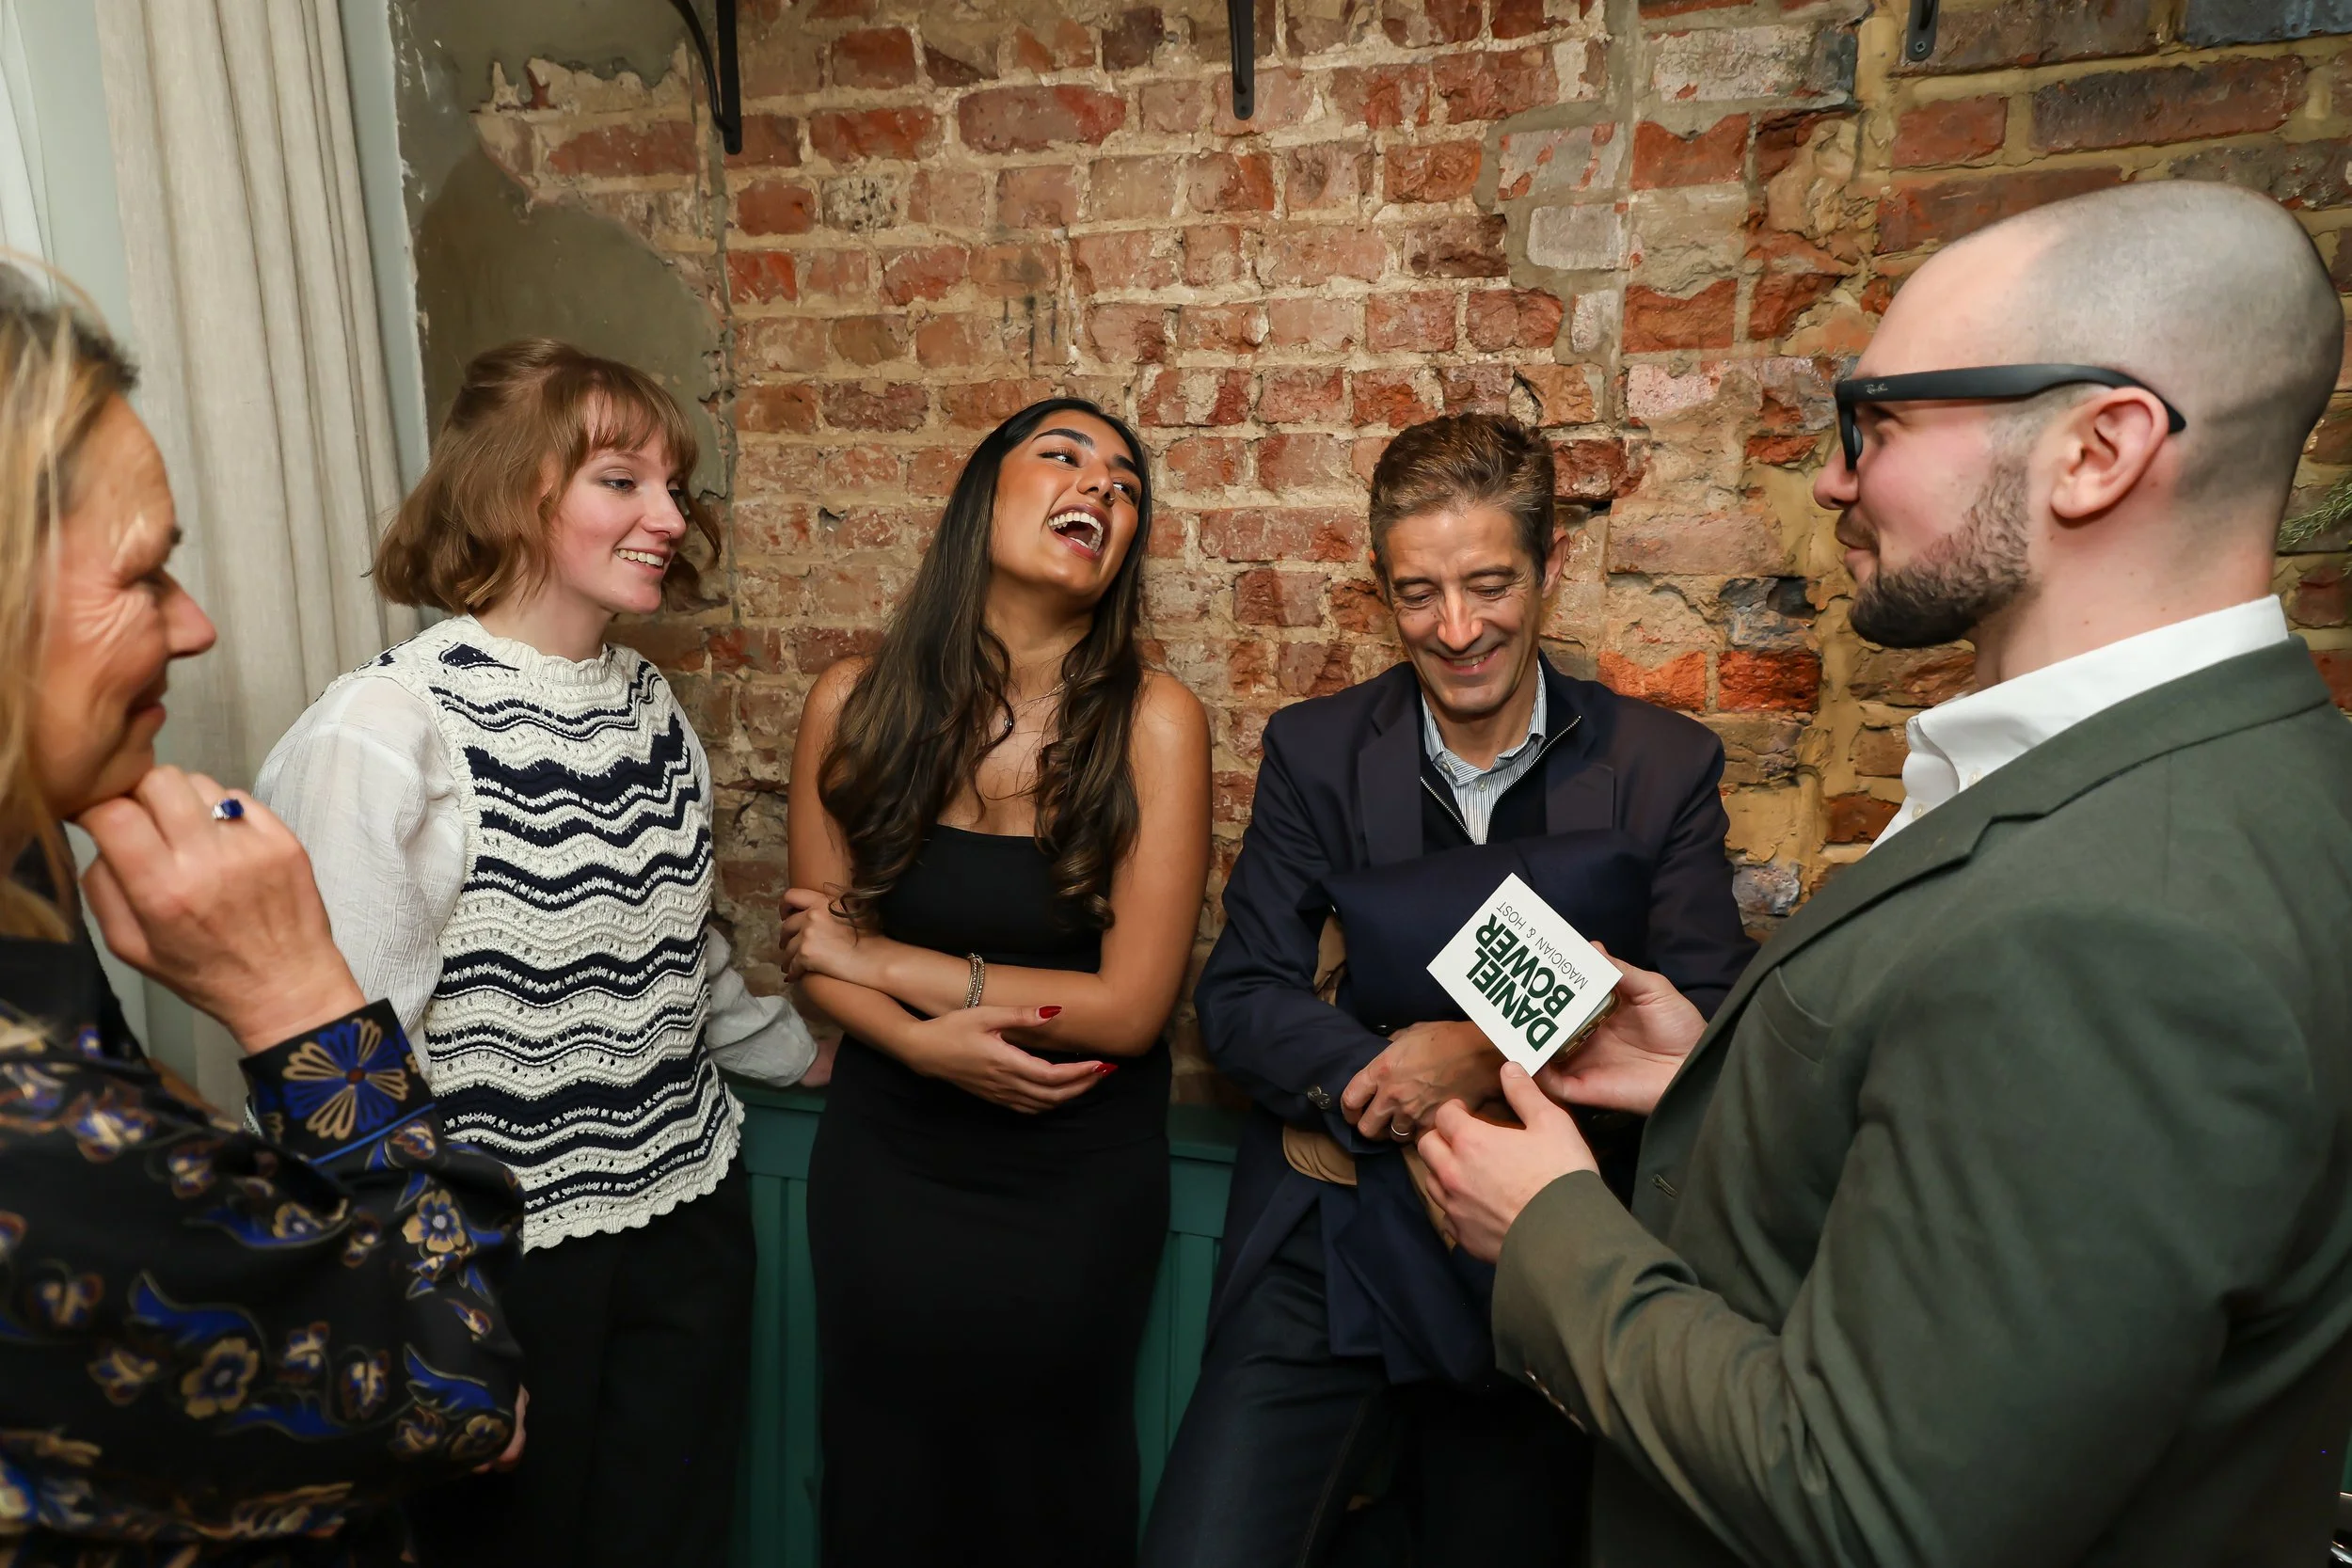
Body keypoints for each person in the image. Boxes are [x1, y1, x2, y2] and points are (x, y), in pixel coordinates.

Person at [1418, 181, 2352, 1568]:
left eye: (1884, 420)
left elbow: (1871, 1507)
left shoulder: (2125, 923)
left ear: (2098, 447)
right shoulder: (2218, 770)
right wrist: (1717, 1082)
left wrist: (1551, 1232)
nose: (1838, 478)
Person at [1141, 413, 1756, 1567]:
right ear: (1380, 590)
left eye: (1487, 584)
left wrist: (1470, 1054)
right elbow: (1243, 994)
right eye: (1419, 592)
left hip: (1536, 1250)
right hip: (1330, 1225)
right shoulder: (1316, 750)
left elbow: (1707, 1025)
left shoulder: (1660, 768)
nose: (1457, 628)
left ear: (1550, 567)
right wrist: (1389, 1081)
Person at [256, 340, 819, 1568]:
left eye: (674, 484)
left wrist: (813, 1052)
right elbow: (343, 1062)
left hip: (687, 1212)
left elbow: (685, 951)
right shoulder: (386, 726)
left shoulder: (650, 704)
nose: (670, 516)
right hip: (502, 1256)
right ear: (519, 491)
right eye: (624, 481)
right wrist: (437, 1320)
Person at [0, 279, 525, 1560]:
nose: (196, 624)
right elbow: (458, 1390)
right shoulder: (41, 1149)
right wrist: (298, 993)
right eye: (143, 573)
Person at [781, 395, 1209, 1566]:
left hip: (1070, 1179)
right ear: (983, 496)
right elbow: (819, 954)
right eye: (1064, 457)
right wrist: (920, 1042)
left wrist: (897, 965)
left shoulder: (1154, 721)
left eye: (1126, 484)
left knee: (1045, 1497)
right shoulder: (850, 702)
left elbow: (1128, 1006)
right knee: (883, 1485)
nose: (1102, 488)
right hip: (889, 1162)